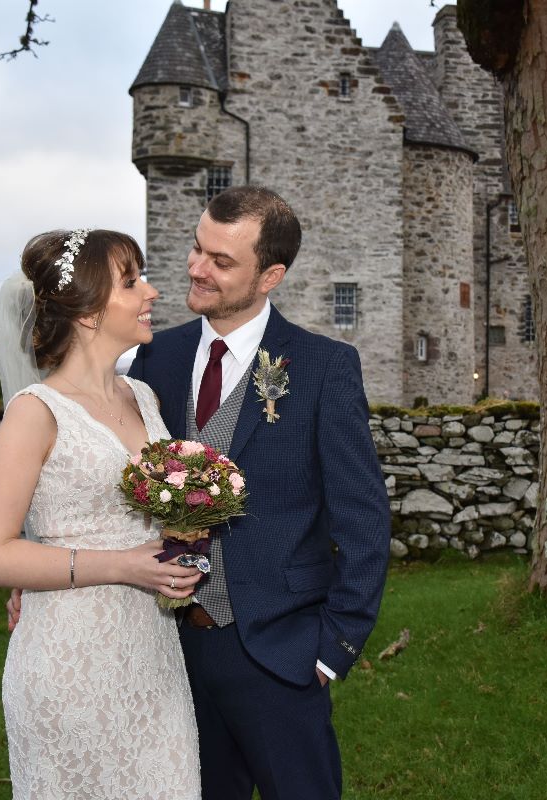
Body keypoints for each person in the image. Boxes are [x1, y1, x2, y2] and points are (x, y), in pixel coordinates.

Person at [128, 186, 391, 799]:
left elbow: (362, 518)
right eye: (198, 248)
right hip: (169, 651)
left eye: (221, 261)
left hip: (279, 653)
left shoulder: (323, 366)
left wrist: (331, 649)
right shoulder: (155, 357)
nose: (197, 268)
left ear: (270, 276)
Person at [0, 229, 204, 800]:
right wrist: (123, 565)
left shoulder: (143, 397)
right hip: (68, 667)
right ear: (90, 312)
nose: (150, 292)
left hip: (152, 659)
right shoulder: (35, 413)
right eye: (131, 282)